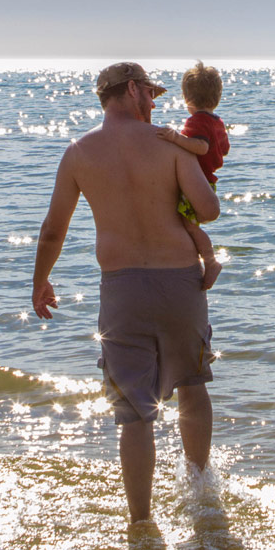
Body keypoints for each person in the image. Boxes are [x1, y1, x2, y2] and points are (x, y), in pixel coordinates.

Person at [32, 62, 221, 524]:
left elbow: (54, 230)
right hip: (180, 283)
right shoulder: (168, 143)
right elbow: (209, 209)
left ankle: (141, 523)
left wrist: (40, 282)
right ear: (133, 90)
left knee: (134, 413)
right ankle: (199, 496)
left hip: (122, 292)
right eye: (151, 94)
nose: (155, 104)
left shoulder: (79, 152)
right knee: (192, 388)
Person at [156, 61, 230, 290]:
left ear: (187, 98)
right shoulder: (217, 122)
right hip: (208, 181)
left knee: (189, 226)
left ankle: (210, 261)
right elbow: (224, 149)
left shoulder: (196, 121)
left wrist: (176, 139)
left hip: (199, 182)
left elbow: (201, 147)